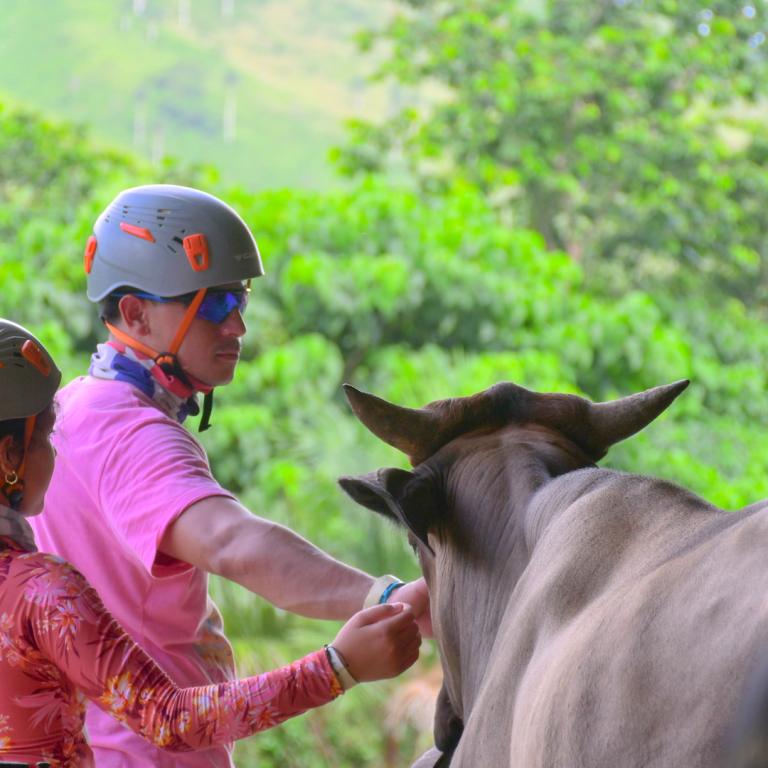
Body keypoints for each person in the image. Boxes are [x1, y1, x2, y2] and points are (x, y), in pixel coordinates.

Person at [30, 185, 432, 768]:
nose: (238, 324)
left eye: (239, 298)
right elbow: (231, 542)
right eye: (214, 304)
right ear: (135, 313)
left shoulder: (76, 406)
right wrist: (384, 598)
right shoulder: (130, 433)